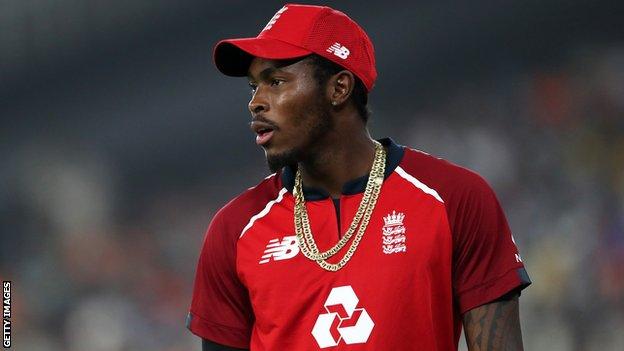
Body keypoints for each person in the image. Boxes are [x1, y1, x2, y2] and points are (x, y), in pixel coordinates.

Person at [187, 3, 531, 350]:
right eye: (253, 86)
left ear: (339, 89)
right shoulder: (234, 230)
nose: (256, 102)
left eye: (275, 81)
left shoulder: (454, 198)